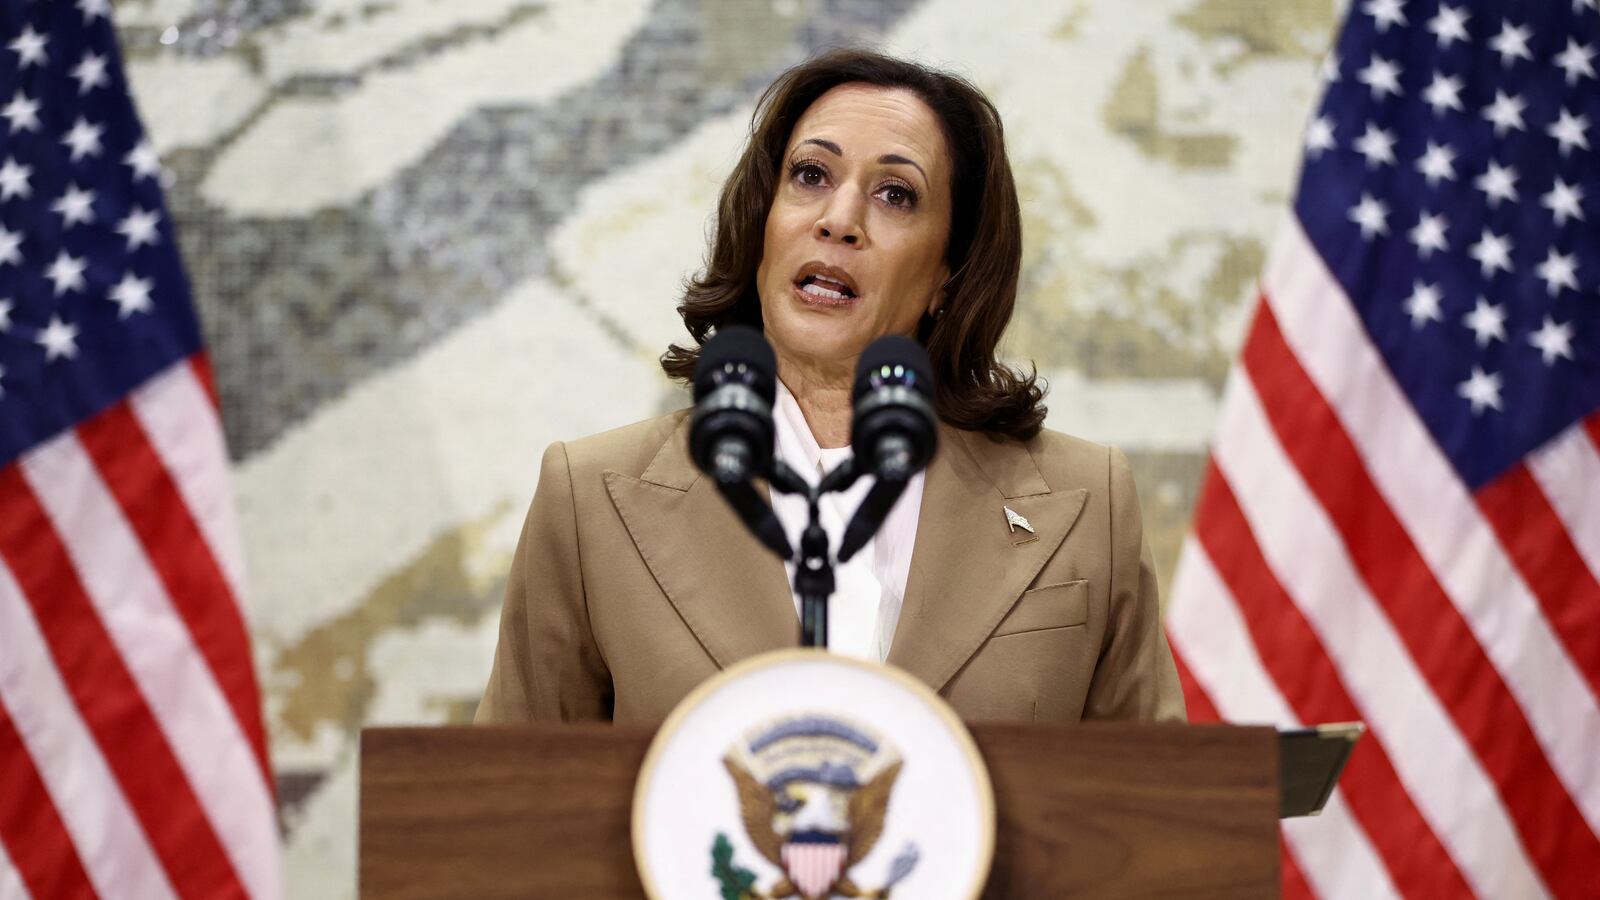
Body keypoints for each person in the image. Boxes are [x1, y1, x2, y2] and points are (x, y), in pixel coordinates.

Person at [476, 49, 1185, 726]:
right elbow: (505, 813)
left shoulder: (1089, 504)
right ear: (764, 223)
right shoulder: (591, 499)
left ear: (950, 271)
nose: (839, 220)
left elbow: (1161, 817)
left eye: (895, 195)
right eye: (811, 176)